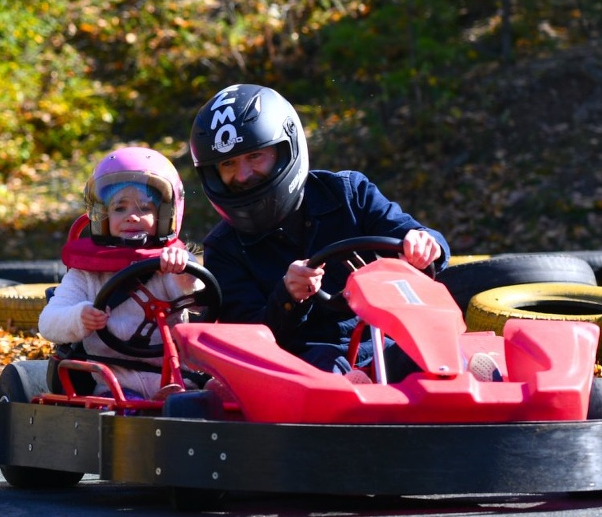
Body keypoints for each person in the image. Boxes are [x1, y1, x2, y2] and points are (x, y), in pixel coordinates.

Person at [188, 83, 450, 382]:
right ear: (213, 174)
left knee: (421, 355)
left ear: (285, 148)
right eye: (228, 163)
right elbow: (248, 340)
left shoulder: (348, 194)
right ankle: (349, 395)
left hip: (381, 343)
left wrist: (426, 245)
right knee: (324, 365)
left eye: (255, 156)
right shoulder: (224, 248)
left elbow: (420, 239)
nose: (244, 175)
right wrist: (287, 296)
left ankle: (467, 389)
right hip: (298, 365)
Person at [39, 146, 202, 399]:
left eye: (145, 208)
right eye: (119, 208)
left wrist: (183, 272)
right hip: (114, 387)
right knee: (129, 410)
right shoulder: (87, 274)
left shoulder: (172, 264)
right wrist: (80, 317)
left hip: (178, 380)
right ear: (102, 216)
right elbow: (48, 323)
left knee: (209, 398)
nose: (132, 217)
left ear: (166, 214)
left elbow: (201, 301)